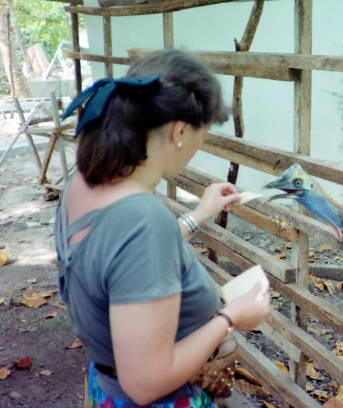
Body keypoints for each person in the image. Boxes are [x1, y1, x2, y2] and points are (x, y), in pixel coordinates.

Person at [54, 49, 270, 407]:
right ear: (181, 131)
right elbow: (145, 383)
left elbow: (122, 261)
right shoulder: (143, 220)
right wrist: (231, 318)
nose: (201, 143)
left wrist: (199, 214)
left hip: (104, 384)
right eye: (205, 132)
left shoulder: (82, 182)